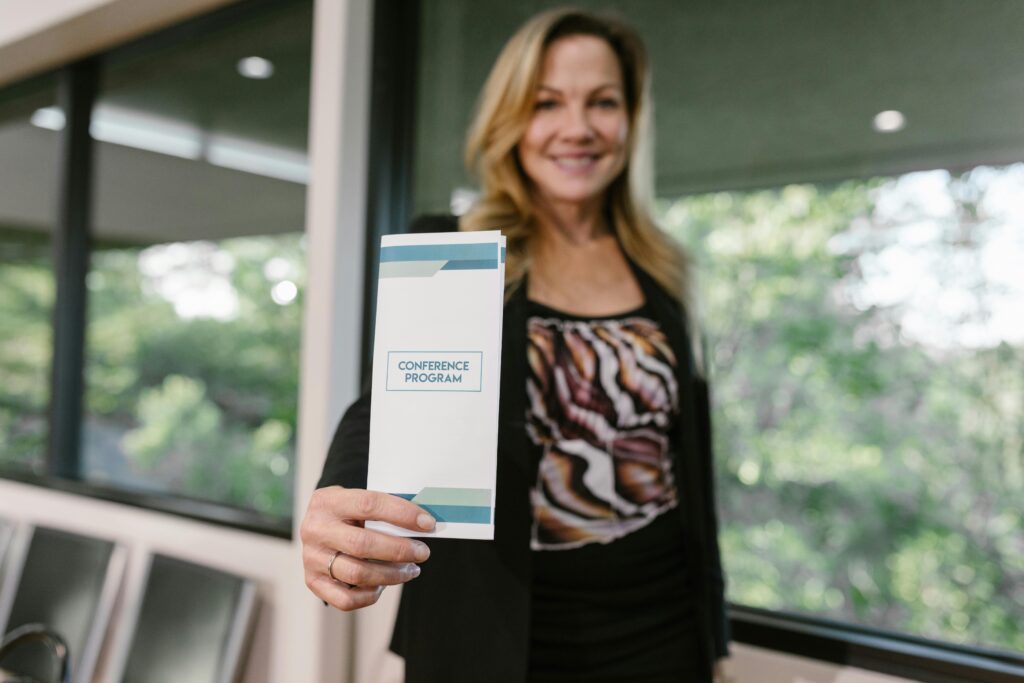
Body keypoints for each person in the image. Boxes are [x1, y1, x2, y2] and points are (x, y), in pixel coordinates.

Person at [300, 8, 729, 682]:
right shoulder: (455, 248)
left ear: (631, 119)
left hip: (662, 633)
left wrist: (717, 644)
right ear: (510, 120)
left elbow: (692, 468)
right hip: (498, 634)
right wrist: (337, 496)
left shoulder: (665, 271)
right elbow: (385, 403)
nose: (578, 127)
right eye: (546, 102)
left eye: (604, 102)